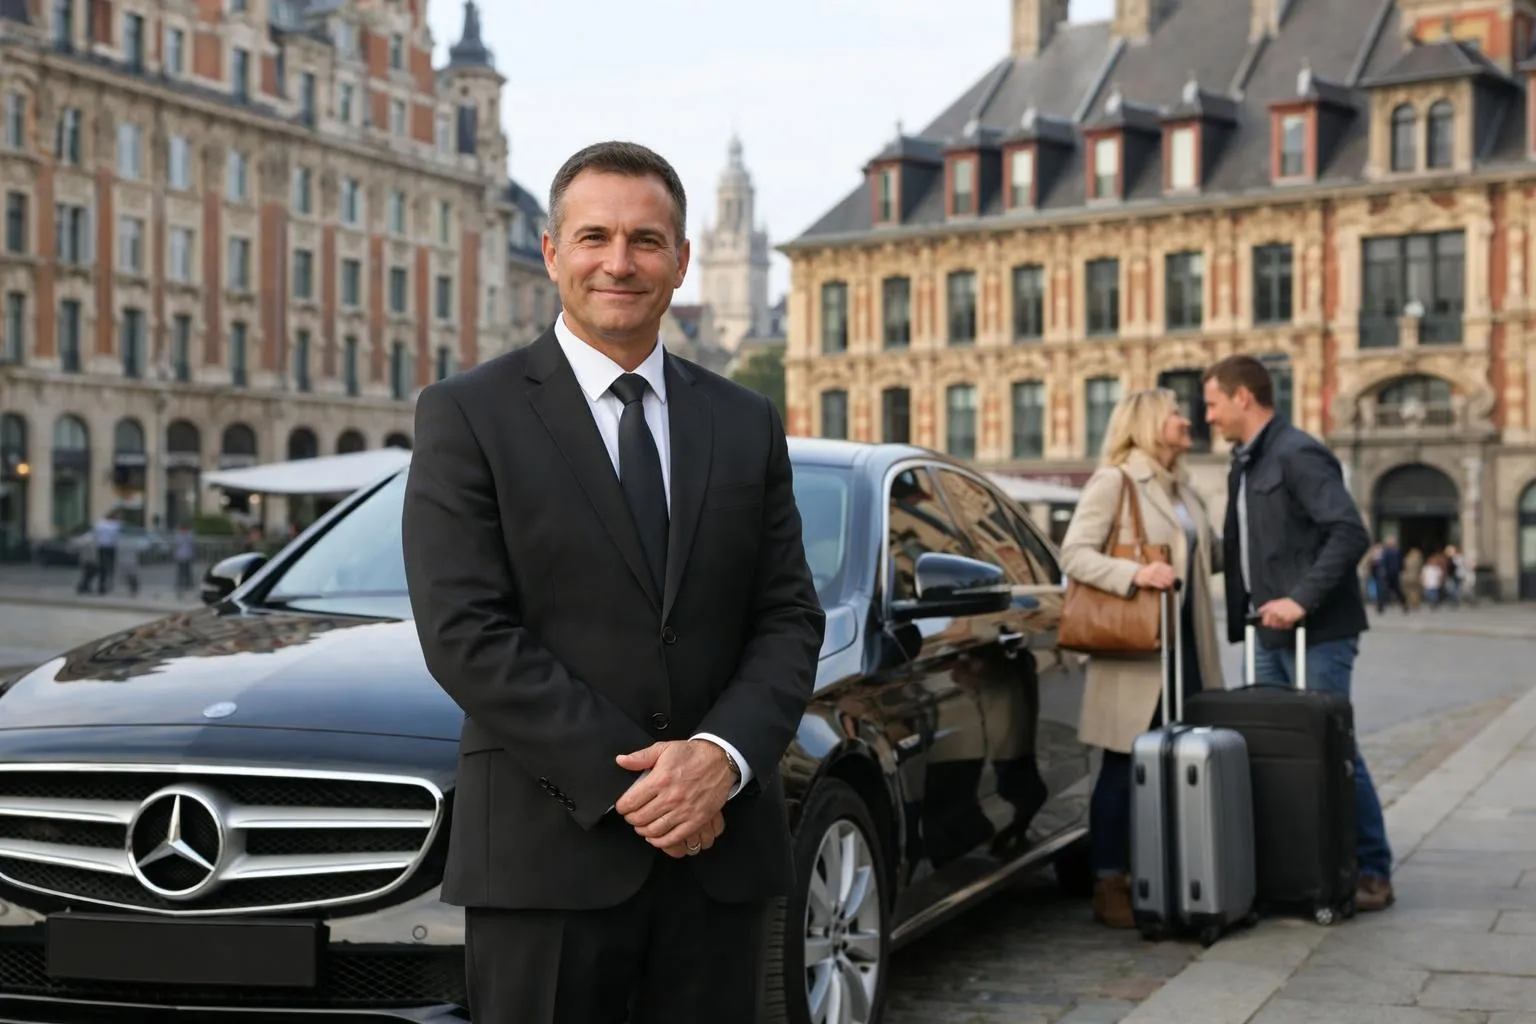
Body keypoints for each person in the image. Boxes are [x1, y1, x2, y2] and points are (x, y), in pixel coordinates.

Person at [400, 140, 825, 1023]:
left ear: (681, 260)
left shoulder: (744, 420)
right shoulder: (466, 414)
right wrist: (640, 784)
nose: (619, 262)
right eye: (594, 236)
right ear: (553, 252)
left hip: (720, 859)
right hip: (548, 858)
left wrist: (720, 758)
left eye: (645, 240)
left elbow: (787, 616)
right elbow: (465, 633)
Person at [1201, 354, 1393, 912]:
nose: (1207, 415)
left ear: (1243, 398)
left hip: (1318, 633)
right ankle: (1298, 865)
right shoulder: (1246, 462)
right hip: (1267, 633)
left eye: (1213, 402)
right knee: (1273, 749)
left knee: (1333, 749)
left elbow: (1348, 533)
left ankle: (1372, 869)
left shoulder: (1297, 452)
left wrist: (1300, 599)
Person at [1058, 388, 1225, 929]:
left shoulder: (1186, 489)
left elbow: (1209, 557)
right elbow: (1075, 554)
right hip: (1135, 653)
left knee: (1183, 763)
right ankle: (1110, 880)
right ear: (1151, 423)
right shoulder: (1116, 481)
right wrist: (1135, 574)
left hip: (1188, 650)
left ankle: (1173, 872)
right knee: (1124, 766)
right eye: (1176, 412)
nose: (1186, 420)